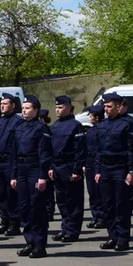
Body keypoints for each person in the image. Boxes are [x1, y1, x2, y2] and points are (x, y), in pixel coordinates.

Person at [94, 92, 133, 252]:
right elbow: (99, 150)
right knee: (107, 205)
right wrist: (98, 170)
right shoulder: (102, 126)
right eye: (105, 106)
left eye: (109, 106)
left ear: (119, 107)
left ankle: (122, 238)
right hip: (106, 169)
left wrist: (131, 171)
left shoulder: (126, 124)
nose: (106, 109)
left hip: (121, 168)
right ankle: (112, 236)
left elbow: (132, 150)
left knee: (121, 205)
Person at [10, 96, 53, 258]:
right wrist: (13, 175)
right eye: (23, 108)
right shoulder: (19, 127)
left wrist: (42, 176)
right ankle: (29, 241)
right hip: (21, 170)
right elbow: (14, 153)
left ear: (36, 110)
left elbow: (45, 154)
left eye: (28, 108)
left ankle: (40, 244)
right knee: (24, 207)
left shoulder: (41, 128)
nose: (24, 110)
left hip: (35, 169)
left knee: (37, 208)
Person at [50, 95, 87, 243]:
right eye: (57, 107)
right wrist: (51, 166)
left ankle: (73, 230)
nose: (58, 110)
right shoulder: (55, 126)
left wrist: (76, 170)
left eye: (61, 107)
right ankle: (65, 227)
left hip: (70, 166)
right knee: (61, 201)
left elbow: (80, 150)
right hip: (58, 166)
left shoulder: (76, 125)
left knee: (73, 200)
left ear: (70, 108)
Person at [0, 93, 21, 237]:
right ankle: (4, 221)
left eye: (5, 103)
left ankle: (14, 223)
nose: (2, 106)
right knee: (0, 194)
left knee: (12, 194)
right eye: (1, 103)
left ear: (13, 105)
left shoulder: (18, 122)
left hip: (10, 161)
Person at [83, 105, 105, 229]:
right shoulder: (91, 130)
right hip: (90, 162)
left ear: (96, 118)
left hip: (98, 162)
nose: (89, 118)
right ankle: (95, 216)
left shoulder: (102, 130)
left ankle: (102, 217)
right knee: (92, 191)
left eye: (91, 116)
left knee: (99, 191)